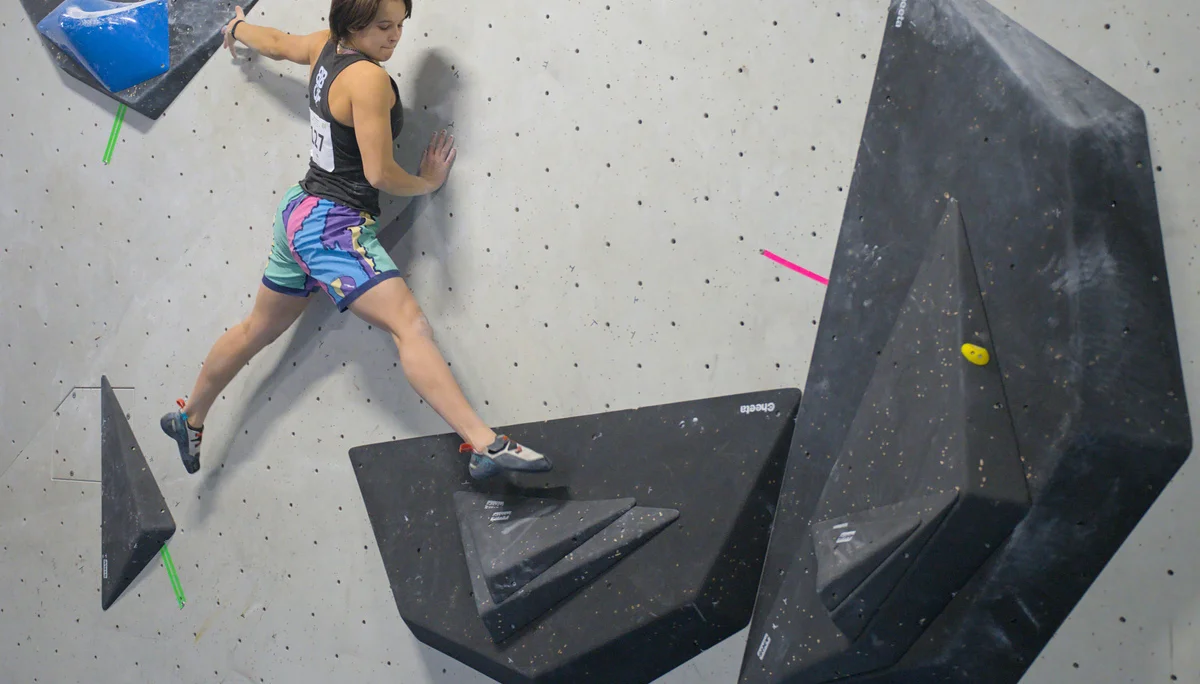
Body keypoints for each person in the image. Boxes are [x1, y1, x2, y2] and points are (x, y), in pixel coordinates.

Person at [160, 0, 551, 481]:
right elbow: (380, 173)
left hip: (298, 213)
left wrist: (239, 26)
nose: (395, 37)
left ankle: (189, 416)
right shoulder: (367, 80)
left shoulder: (326, 47)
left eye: (401, 26)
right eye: (384, 27)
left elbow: (280, 45)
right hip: (330, 225)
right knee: (411, 326)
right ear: (352, 22)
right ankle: (484, 444)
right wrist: (426, 182)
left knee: (254, 331)